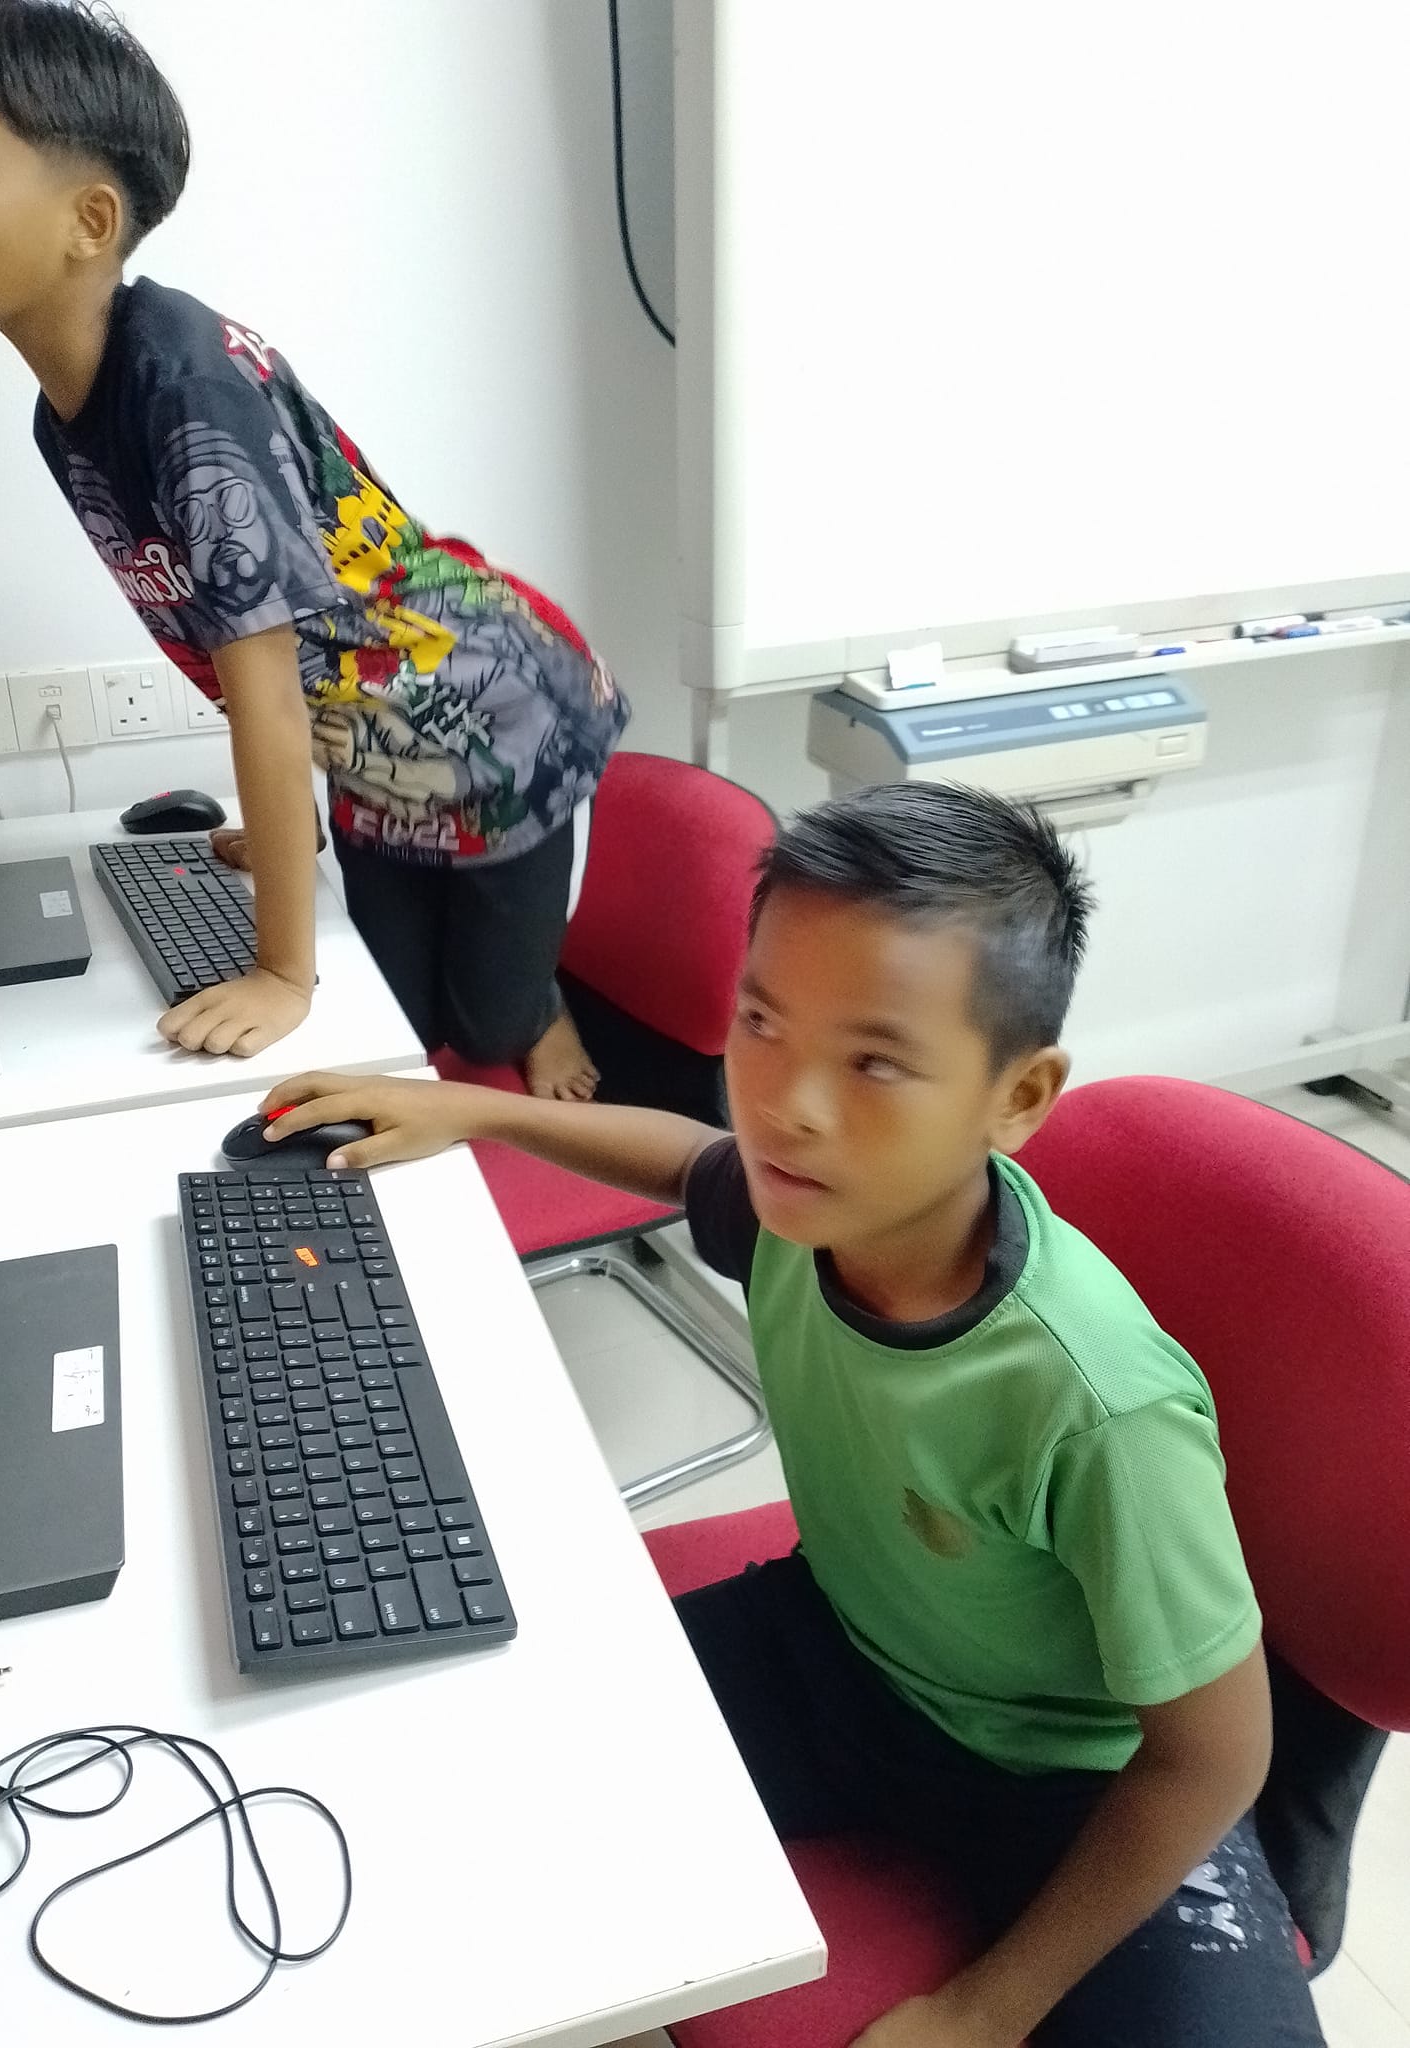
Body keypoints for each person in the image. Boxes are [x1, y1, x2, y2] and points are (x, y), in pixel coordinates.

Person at [257, 782, 1326, 2047]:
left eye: (874, 1060)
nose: (787, 1103)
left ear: (1021, 1095)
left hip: (1068, 1779)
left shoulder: (1097, 1404)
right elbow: (686, 1156)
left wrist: (981, 2012)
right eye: (762, 1020)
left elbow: (1215, 1754)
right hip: (846, 1651)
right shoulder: (808, 1206)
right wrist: (470, 1109)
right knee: (476, 1783)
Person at [0, 0, 628, 1096]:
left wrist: (283, 973)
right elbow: (214, 630)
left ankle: (542, 1007)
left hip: (493, 724)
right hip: (370, 753)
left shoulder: (189, 401)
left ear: (90, 220)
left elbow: (266, 693)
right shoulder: (68, 416)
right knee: (405, 1014)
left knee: (484, 1021)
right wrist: (287, 832)